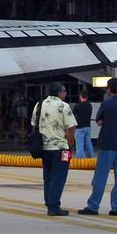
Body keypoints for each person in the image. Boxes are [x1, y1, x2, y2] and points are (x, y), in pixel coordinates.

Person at [78, 77, 117, 216]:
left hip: (108, 144)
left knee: (100, 177)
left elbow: (99, 121)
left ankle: (93, 206)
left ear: (109, 89)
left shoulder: (106, 104)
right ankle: (116, 207)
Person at [32, 81, 77, 216]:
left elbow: (34, 123)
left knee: (48, 176)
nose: (65, 94)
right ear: (59, 93)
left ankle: (48, 200)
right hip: (61, 147)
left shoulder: (39, 104)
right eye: (64, 91)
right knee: (59, 177)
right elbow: (70, 127)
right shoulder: (63, 106)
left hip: (45, 147)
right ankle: (53, 206)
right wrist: (70, 143)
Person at [73, 89, 94, 159]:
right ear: (87, 96)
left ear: (80, 96)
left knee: (80, 144)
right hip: (88, 126)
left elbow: (73, 115)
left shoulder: (77, 106)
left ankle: (80, 160)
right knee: (88, 143)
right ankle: (91, 159)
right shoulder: (90, 106)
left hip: (79, 127)